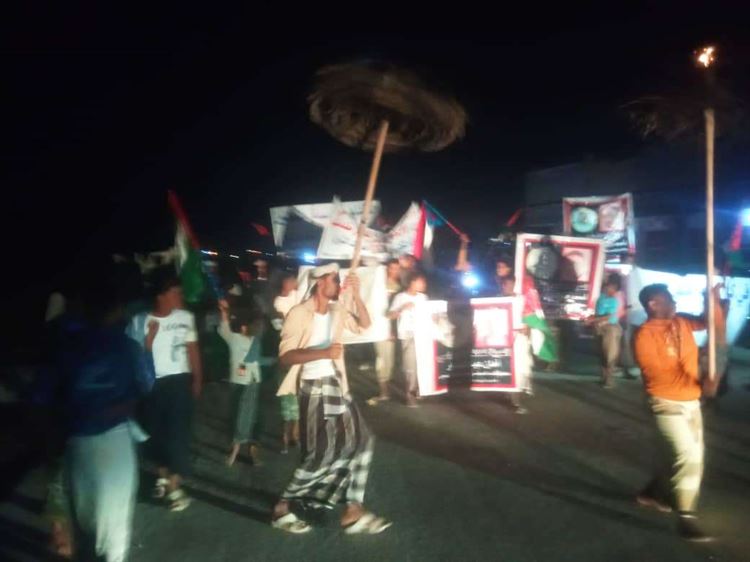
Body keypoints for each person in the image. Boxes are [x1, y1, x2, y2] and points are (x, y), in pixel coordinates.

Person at [271, 263, 391, 535]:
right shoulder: (299, 313)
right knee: (322, 454)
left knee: (363, 441)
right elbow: (286, 357)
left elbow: (364, 325)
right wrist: (324, 353)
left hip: (336, 383)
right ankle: (282, 506)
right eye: (335, 280)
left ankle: (353, 509)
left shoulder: (337, 311)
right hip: (313, 387)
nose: (338, 284)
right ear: (320, 282)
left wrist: (356, 295)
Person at [51, 271, 146, 562]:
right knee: (114, 534)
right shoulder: (127, 347)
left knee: (83, 529)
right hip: (114, 444)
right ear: (115, 307)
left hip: (76, 443)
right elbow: (146, 383)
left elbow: (43, 395)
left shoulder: (66, 345)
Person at [633, 283, 720, 542]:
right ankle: (686, 516)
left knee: (679, 456)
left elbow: (708, 322)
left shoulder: (681, 321)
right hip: (665, 402)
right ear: (653, 304)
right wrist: (702, 385)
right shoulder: (644, 336)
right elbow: (661, 377)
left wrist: (711, 300)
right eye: (669, 299)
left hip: (691, 402)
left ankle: (652, 493)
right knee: (689, 455)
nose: (675, 303)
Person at [141, 271, 203, 512]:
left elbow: (193, 349)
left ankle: (174, 485)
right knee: (157, 433)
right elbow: (136, 355)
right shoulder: (142, 320)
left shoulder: (186, 317)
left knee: (178, 433)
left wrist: (197, 378)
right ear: (161, 296)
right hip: (153, 383)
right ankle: (163, 476)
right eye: (175, 292)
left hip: (179, 382)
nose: (180, 296)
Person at [217, 299, 263, 466]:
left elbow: (256, 363)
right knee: (239, 415)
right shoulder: (236, 339)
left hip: (250, 383)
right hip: (241, 382)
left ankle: (241, 450)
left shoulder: (253, 341)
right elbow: (224, 328)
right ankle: (236, 447)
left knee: (246, 416)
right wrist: (224, 312)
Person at [389, 271, 428, 407]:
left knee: (421, 364)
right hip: (407, 334)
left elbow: (428, 315)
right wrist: (402, 308)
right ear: (412, 282)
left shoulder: (424, 297)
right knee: (410, 365)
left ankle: (418, 389)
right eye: (421, 282)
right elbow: (390, 315)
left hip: (422, 334)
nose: (424, 284)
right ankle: (409, 395)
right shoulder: (400, 297)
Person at [272, 272, 300, 453]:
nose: (295, 284)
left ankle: (295, 436)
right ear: (284, 283)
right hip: (287, 354)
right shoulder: (278, 302)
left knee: (297, 402)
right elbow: (282, 326)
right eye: (292, 282)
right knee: (287, 405)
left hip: (298, 351)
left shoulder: (297, 295)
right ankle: (285, 438)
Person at [369, 259, 401, 404]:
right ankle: (383, 392)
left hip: (394, 328)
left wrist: (393, 330)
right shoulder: (378, 285)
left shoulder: (400, 286)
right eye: (391, 268)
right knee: (381, 359)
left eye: (397, 268)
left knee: (390, 361)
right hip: (379, 327)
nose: (394, 271)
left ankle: (388, 389)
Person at [499, 275, 532, 414]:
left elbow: (529, 316)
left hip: (519, 340)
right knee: (507, 369)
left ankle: (516, 401)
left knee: (518, 369)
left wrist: (527, 327)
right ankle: (510, 396)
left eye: (511, 284)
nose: (509, 287)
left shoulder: (521, 299)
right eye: (506, 284)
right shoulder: (497, 300)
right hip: (503, 340)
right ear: (502, 285)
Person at [587, 277, 622, 388]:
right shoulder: (601, 297)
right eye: (608, 286)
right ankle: (604, 378)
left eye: (612, 287)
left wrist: (593, 319)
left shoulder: (613, 300)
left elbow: (608, 316)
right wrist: (593, 319)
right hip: (600, 327)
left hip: (610, 328)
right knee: (602, 354)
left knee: (610, 355)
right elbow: (599, 313)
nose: (609, 289)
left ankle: (609, 380)